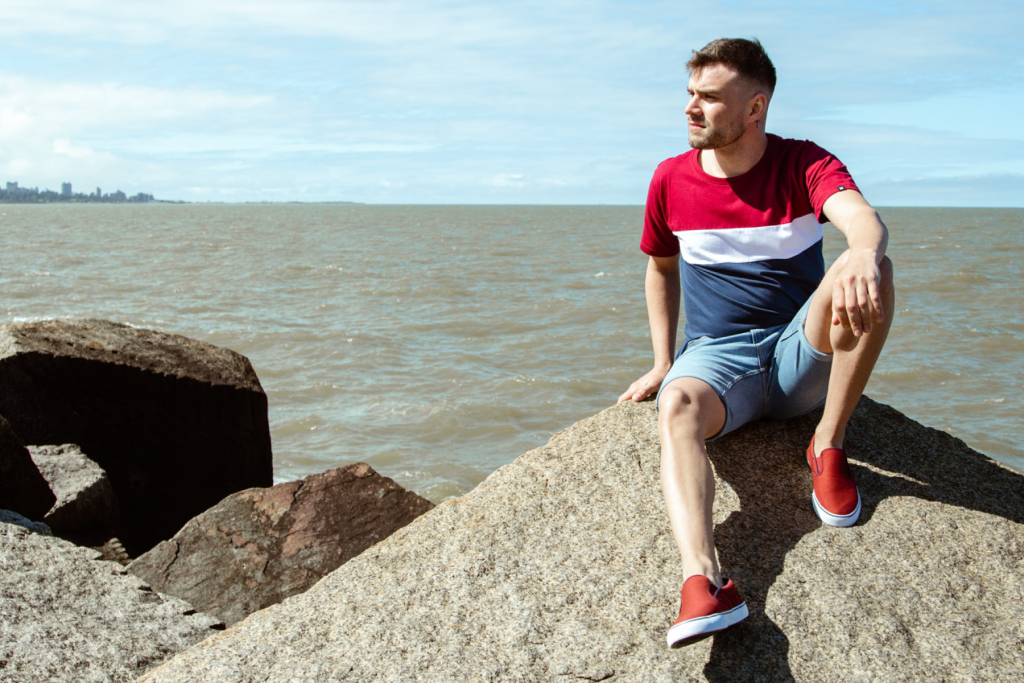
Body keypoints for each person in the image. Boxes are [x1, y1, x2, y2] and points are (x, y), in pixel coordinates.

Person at [618, 37, 894, 648]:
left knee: (874, 266)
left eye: (709, 97)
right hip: (718, 357)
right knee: (676, 406)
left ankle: (827, 445)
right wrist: (663, 362)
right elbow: (661, 268)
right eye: (690, 94)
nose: (691, 107)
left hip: (798, 347)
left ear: (755, 107)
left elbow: (861, 217)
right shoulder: (670, 178)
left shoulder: (802, 162)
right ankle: (704, 582)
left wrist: (863, 251)